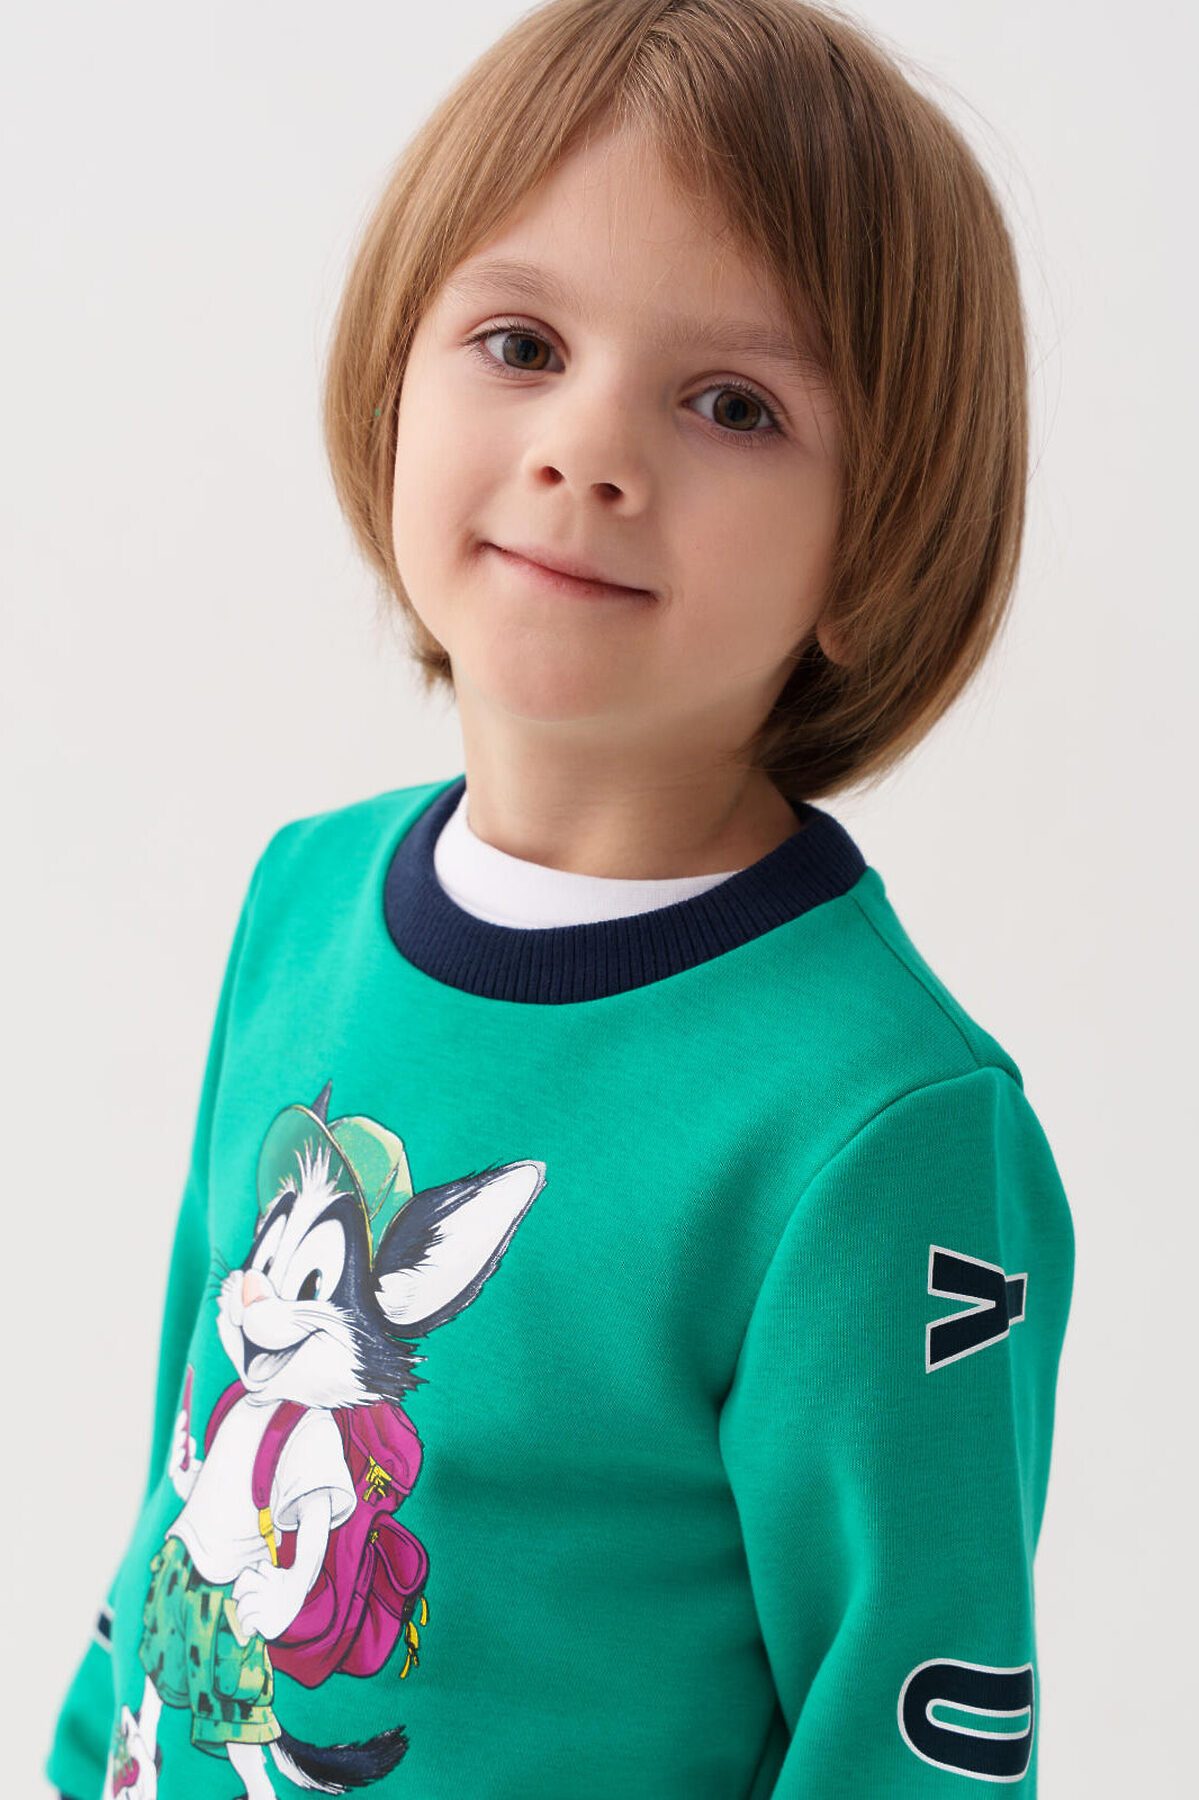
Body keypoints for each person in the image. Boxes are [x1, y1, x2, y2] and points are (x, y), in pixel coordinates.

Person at [46, 2, 1075, 1796]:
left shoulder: (882, 1126)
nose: (588, 449)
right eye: (521, 342)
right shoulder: (302, 900)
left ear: (876, 542)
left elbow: (909, 1717)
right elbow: (185, 1442)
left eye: (734, 403)